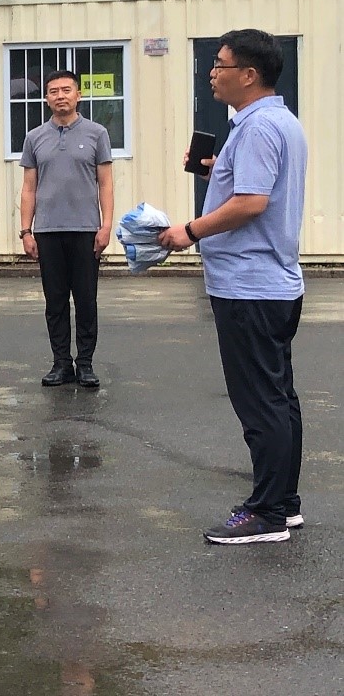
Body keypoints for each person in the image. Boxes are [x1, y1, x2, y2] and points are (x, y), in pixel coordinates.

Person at [158, 29, 307, 545]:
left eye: (220, 65)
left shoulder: (259, 127)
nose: (212, 74)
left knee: (261, 403)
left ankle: (266, 513)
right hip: (270, 282)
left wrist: (190, 231)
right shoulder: (277, 122)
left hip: (250, 286)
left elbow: (251, 203)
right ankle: (284, 503)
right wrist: (217, 169)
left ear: (249, 74)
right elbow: (253, 189)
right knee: (278, 397)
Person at [18, 70, 113, 389]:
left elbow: (106, 183)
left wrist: (106, 225)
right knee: (55, 301)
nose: (60, 96)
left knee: (86, 300)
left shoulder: (97, 134)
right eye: (53, 91)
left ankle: (85, 364)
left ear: (78, 95)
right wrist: (26, 231)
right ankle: (61, 363)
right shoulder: (35, 137)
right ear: (46, 98)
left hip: (85, 230)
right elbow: (29, 187)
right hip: (48, 231)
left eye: (66, 90)